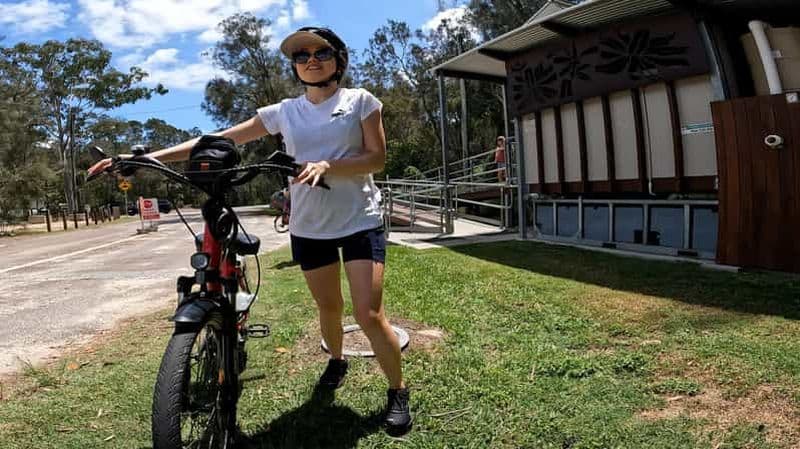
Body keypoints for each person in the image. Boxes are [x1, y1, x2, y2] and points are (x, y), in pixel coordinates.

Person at [88, 26, 411, 433]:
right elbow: (218, 138)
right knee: (329, 307)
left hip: (359, 219)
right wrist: (144, 158)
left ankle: (397, 390)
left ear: (338, 60)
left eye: (321, 52)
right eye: (301, 55)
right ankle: (336, 360)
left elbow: (376, 159)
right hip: (310, 225)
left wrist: (328, 165)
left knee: (368, 313)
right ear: (295, 66)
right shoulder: (284, 112)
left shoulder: (361, 101)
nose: (311, 60)